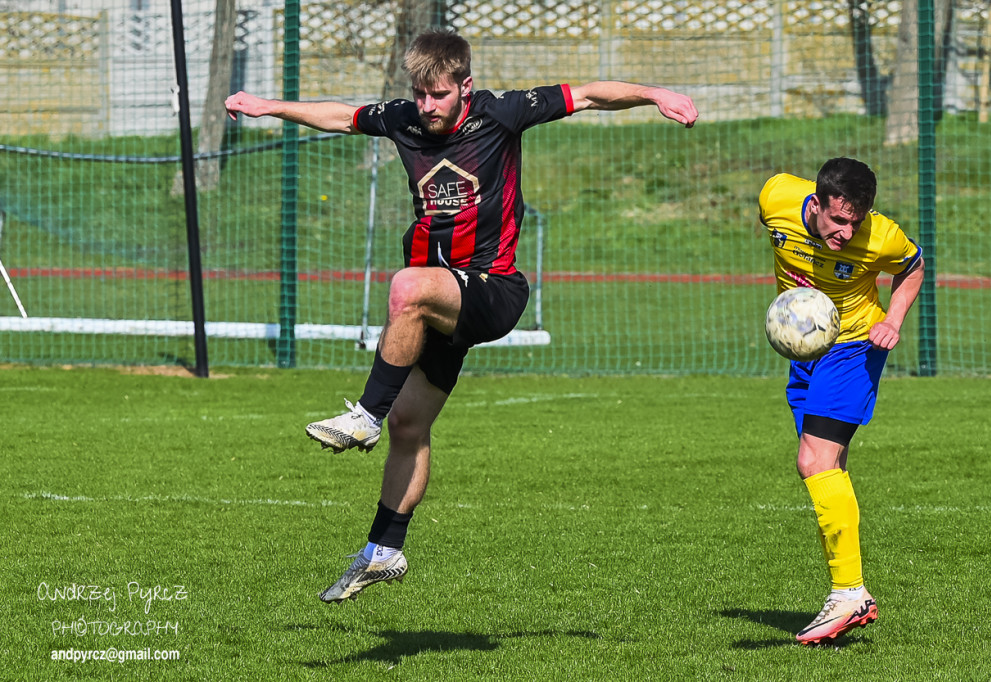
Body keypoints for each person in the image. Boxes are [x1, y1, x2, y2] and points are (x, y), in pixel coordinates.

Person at [225, 28, 699, 603]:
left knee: (404, 289)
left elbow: (592, 95)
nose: (425, 107)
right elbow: (338, 115)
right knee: (410, 426)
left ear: (464, 86)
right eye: (419, 94)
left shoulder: (503, 113)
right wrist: (270, 106)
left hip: (493, 289)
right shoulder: (403, 118)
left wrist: (655, 94)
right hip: (437, 306)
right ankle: (384, 550)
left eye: (438, 95)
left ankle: (365, 415)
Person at [758, 157, 925, 645]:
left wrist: (892, 319)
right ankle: (848, 591)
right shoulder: (776, 198)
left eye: (856, 221)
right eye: (837, 220)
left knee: (813, 460)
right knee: (829, 468)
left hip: (854, 346)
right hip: (805, 348)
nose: (846, 232)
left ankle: (850, 592)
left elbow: (913, 266)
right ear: (816, 202)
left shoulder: (882, 236)